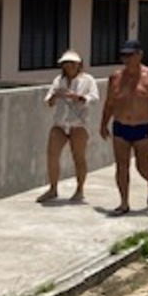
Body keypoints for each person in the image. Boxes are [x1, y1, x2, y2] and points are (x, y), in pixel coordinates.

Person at [100, 40, 148, 216]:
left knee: (143, 166)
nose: (126, 59)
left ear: (139, 55)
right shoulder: (116, 77)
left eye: (130, 55)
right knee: (121, 166)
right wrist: (103, 124)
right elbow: (109, 103)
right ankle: (124, 203)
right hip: (120, 126)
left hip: (142, 127)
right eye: (124, 55)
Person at [38, 50, 98, 203]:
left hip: (78, 124)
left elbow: (94, 97)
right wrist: (55, 96)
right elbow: (49, 101)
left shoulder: (88, 80)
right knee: (52, 155)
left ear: (78, 65)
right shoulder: (59, 80)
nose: (68, 66)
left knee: (78, 156)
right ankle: (53, 188)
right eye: (65, 64)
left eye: (71, 64)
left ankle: (80, 189)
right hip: (60, 123)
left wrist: (79, 97)